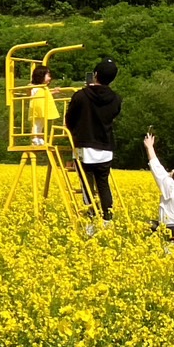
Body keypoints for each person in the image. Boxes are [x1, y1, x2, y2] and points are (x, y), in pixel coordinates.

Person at [65, 58, 122, 224]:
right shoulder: (116, 99)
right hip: (106, 148)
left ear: (95, 75)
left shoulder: (81, 96)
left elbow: (70, 119)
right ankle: (107, 219)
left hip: (85, 146)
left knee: (87, 185)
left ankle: (90, 220)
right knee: (103, 185)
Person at [28, 65, 58, 145]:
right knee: (36, 124)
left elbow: (46, 94)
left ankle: (39, 137)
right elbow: (30, 91)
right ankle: (35, 137)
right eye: (48, 75)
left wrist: (53, 92)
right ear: (40, 76)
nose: (50, 78)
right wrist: (29, 87)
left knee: (41, 124)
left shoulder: (44, 88)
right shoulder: (35, 87)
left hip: (43, 109)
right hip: (37, 109)